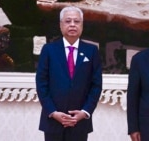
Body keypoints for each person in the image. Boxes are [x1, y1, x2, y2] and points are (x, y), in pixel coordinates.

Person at [36, 6, 102, 141]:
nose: (72, 24)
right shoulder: (49, 50)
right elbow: (41, 83)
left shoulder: (92, 51)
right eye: (68, 21)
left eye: (76, 21)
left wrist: (84, 112)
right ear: (61, 25)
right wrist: (53, 112)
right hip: (53, 121)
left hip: (79, 121)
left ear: (82, 25)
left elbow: (96, 85)